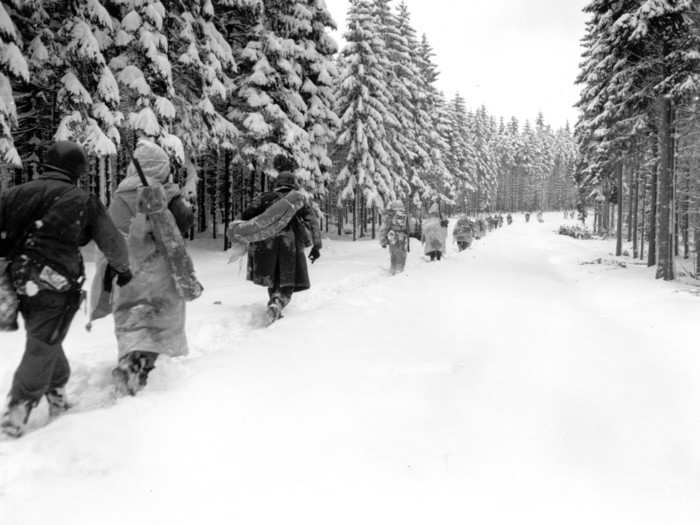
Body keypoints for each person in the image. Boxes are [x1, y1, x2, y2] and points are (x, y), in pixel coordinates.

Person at [0, 141, 131, 437]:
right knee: (44, 341)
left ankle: (56, 392)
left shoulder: (13, 194)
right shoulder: (82, 199)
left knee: (45, 336)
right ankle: (18, 410)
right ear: (77, 170)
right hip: (56, 283)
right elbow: (112, 241)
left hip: (16, 279)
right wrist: (123, 269)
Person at [101, 141, 194, 396]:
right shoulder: (169, 196)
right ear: (162, 168)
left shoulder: (120, 197)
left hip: (126, 272)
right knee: (161, 323)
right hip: (160, 271)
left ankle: (130, 361)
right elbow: (184, 224)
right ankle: (139, 368)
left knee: (132, 321)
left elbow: (110, 234)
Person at [242, 154, 322, 322]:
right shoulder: (297, 199)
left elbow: (245, 216)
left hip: (265, 243)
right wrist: (316, 245)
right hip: (289, 244)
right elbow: (312, 222)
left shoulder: (263, 198)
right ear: (293, 184)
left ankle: (274, 300)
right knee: (287, 280)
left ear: (277, 184)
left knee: (273, 278)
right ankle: (277, 303)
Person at [379, 200, 409, 275]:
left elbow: (384, 228)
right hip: (403, 236)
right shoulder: (405, 215)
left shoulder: (390, 215)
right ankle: (401, 268)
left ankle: (393, 269)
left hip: (393, 236)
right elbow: (408, 228)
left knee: (394, 253)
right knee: (402, 253)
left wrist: (383, 241)